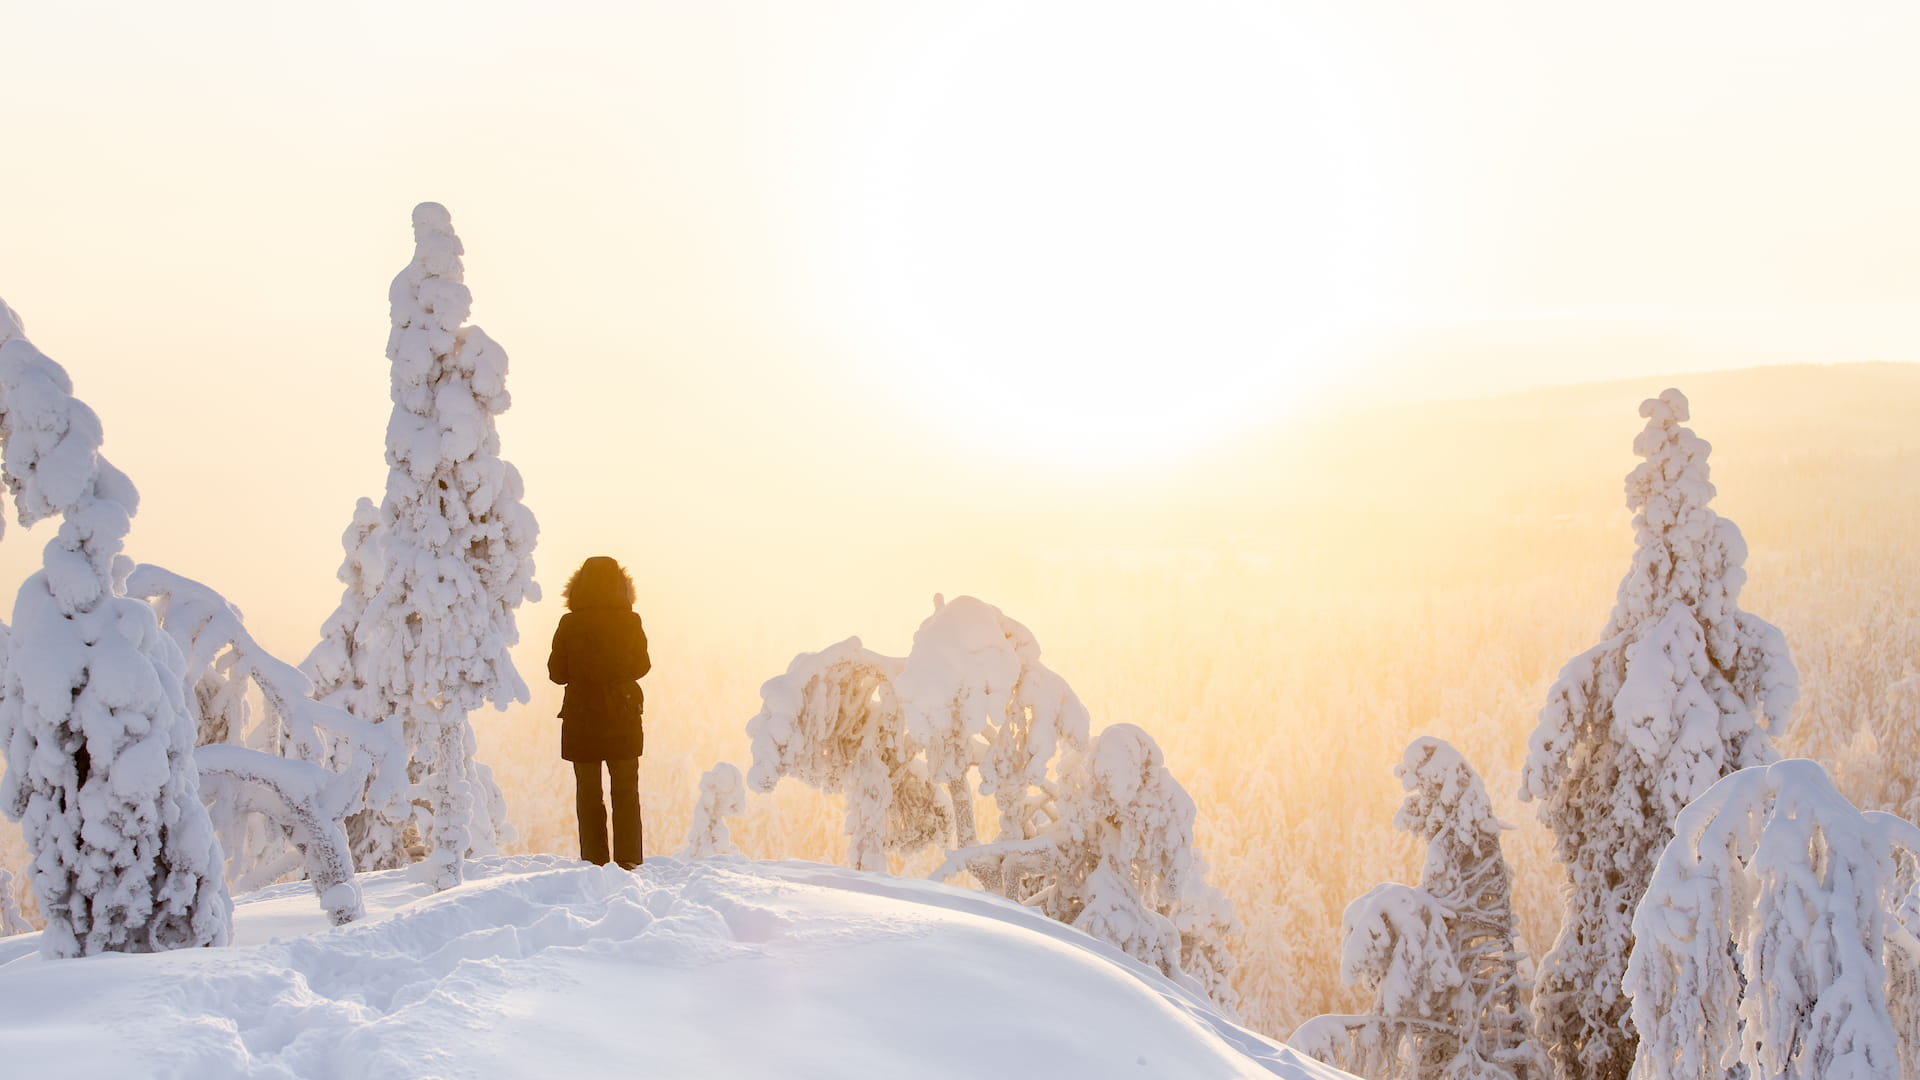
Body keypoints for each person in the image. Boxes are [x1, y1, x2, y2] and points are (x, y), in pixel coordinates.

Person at [547, 556, 650, 869]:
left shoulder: (570, 623)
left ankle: (594, 861)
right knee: (626, 790)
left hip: (582, 716)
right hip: (623, 714)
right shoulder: (631, 621)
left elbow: (557, 673)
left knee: (588, 793)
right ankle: (629, 859)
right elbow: (642, 665)